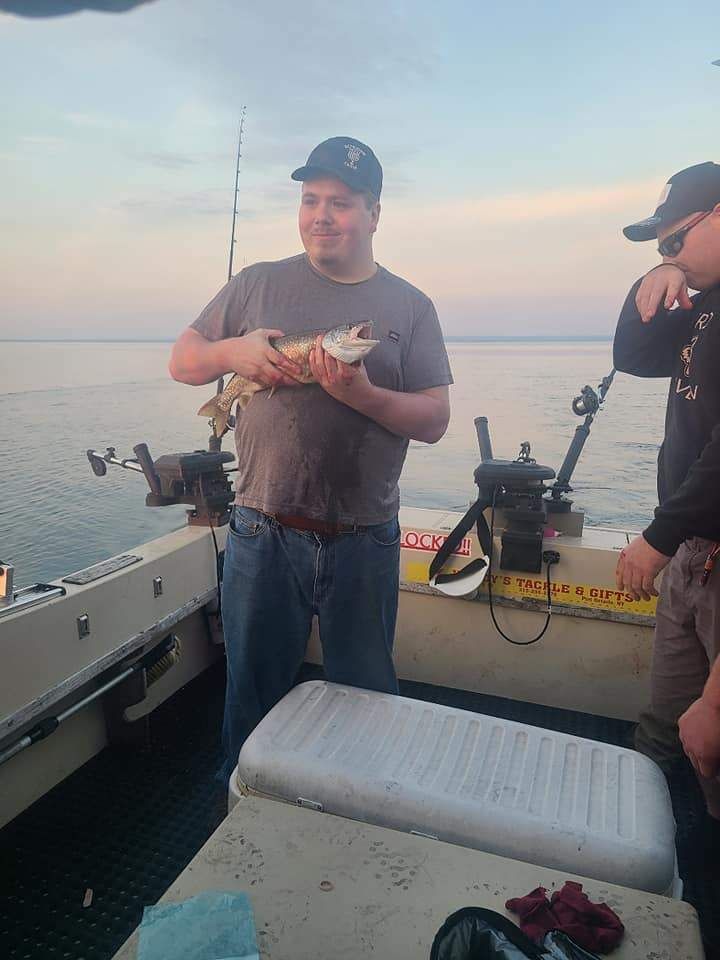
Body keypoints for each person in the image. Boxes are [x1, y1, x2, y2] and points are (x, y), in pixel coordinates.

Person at [169, 136, 453, 781]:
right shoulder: (256, 284)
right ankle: (241, 808)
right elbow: (183, 361)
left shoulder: (411, 306)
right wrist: (230, 354)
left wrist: (365, 394)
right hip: (260, 531)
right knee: (253, 697)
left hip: (365, 539)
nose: (322, 215)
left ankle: (362, 812)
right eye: (310, 200)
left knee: (366, 699)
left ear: (374, 213)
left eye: (342, 203)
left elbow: (434, 420)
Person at [613, 161, 720, 822]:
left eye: (675, 241)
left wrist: (656, 537)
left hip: (695, 546)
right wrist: (654, 278)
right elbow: (634, 355)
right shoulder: (704, 303)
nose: (667, 253)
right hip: (690, 550)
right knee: (664, 727)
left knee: (711, 743)